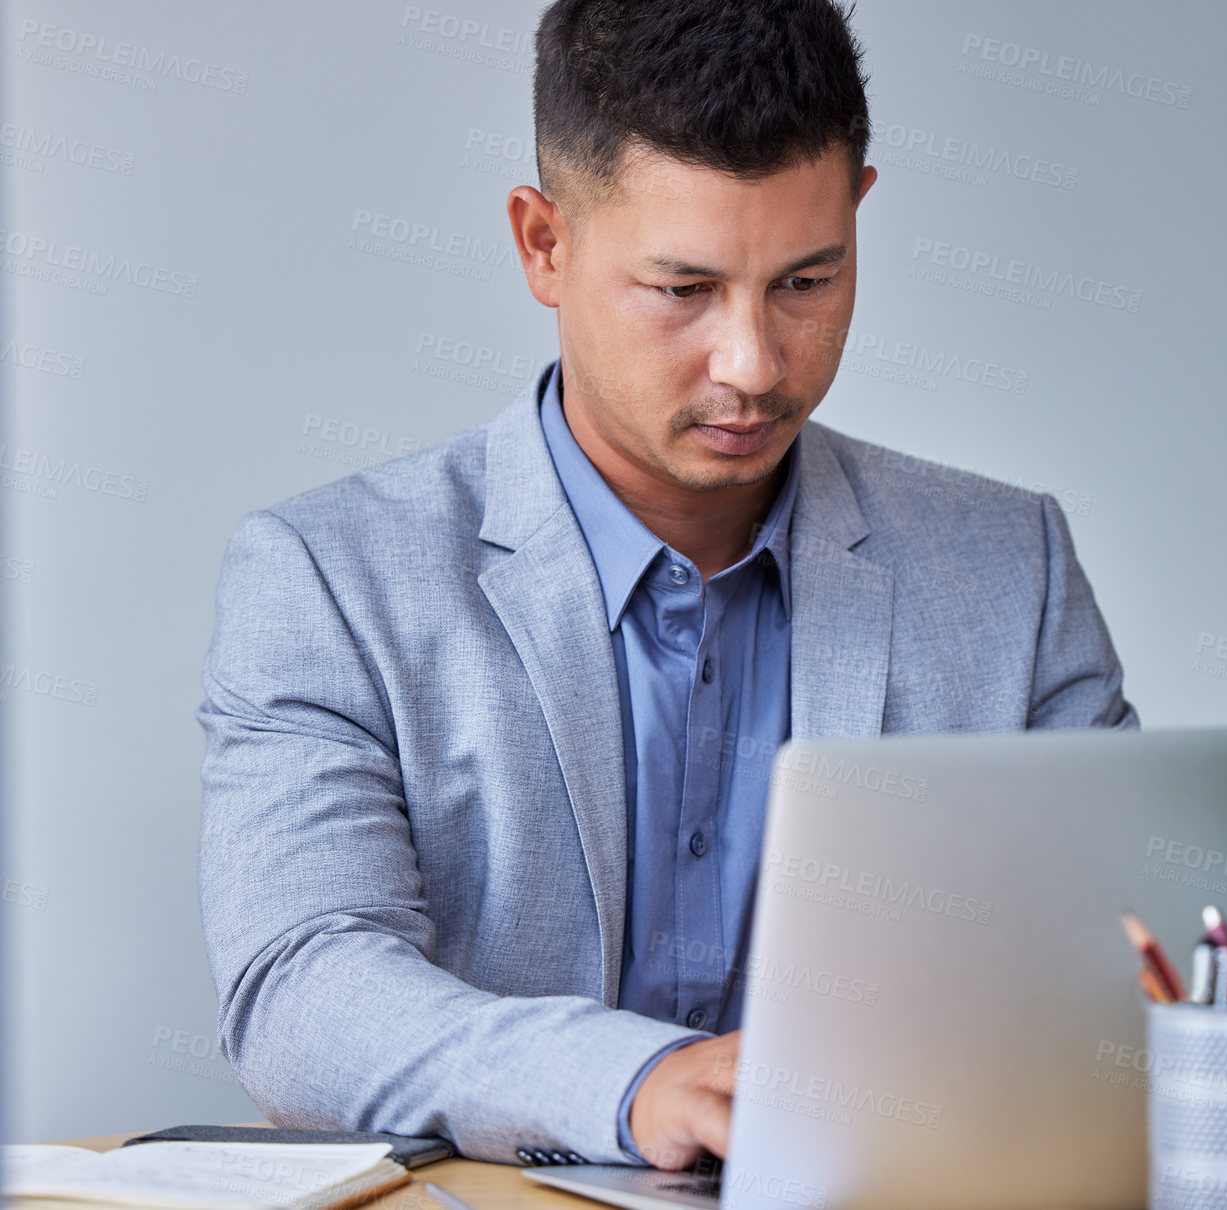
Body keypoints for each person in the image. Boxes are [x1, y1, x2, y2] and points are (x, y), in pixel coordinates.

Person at [195, 0, 1137, 1175]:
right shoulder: (333, 579)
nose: (751, 363)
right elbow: (301, 986)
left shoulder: (1011, 569)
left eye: (806, 280)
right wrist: (630, 1081)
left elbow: (1117, 963)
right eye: (682, 290)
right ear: (544, 244)